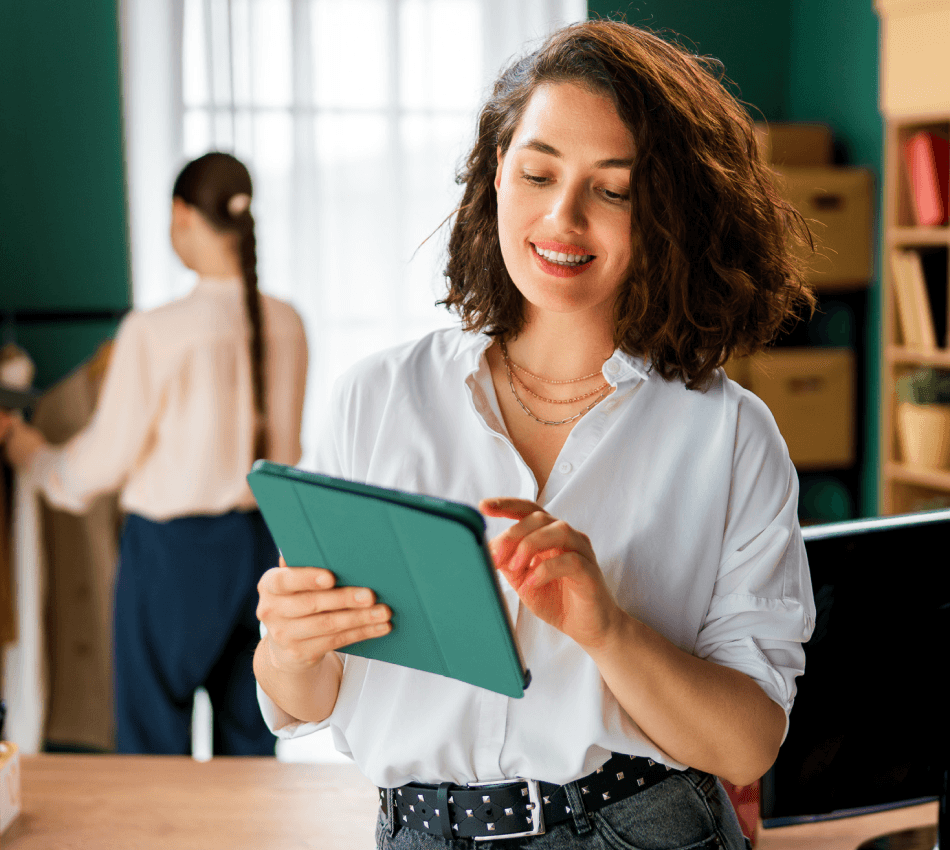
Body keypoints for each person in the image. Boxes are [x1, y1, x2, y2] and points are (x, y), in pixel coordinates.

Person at [254, 20, 816, 850]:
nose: (563, 216)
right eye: (538, 171)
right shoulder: (375, 398)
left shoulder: (729, 434)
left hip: (647, 828)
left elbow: (747, 743)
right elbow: (305, 697)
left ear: (667, 214)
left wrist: (608, 630)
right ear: (495, 176)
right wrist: (290, 646)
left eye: (613, 189)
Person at [1, 152, 308, 757]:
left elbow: (96, 468)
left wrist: (29, 450)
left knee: (151, 752)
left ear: (182, 216)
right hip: (265, 548)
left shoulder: (156, 329)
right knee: (249, 749)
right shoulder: (288, 322)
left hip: (172, 555)